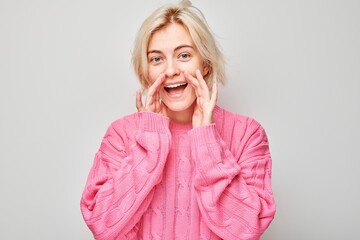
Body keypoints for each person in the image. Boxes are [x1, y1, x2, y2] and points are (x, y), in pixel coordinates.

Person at [80, 1, 276, 239]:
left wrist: (207, 139)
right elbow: (102, 225)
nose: (170, 70)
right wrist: (150, 142)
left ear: (205, 64)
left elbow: (247, 229)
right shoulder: (121, 134)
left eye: (184, 55)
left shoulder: (247, 133)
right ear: (145, 72)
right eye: (156, 59)